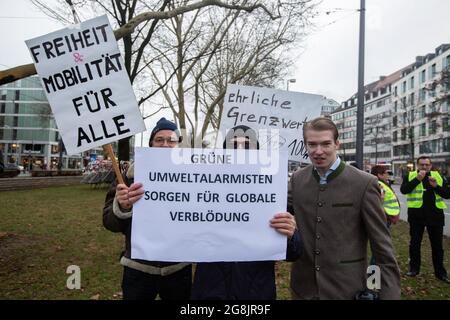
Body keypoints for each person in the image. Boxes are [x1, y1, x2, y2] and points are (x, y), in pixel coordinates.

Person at [285, 117, 400, 300]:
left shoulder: (364, 183)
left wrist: (384, 293)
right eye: (312, 144)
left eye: (326, 144)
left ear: (337, 144)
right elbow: (270, 207)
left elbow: (381, 249)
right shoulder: (297, 179)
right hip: (302, 289)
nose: (318, 151)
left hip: (347, 289)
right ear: (305, 145)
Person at [191, 125, 302, 300]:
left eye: (247, 145)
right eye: (234, 145)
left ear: (257, 151)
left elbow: (293, 253)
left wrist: (290, 235)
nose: (240, 151)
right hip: (211, 291)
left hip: (256, 292)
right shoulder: (201, 188)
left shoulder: (272, 190)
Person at [103, 117, 192, 300]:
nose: (165, 145)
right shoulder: (128, 177)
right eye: (159, 140)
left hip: (178, 269)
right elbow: (110, 223)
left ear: (178, 145)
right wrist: (123, 206)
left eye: (171, 140)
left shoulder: (193, 177)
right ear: (151, 143)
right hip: (138, 269)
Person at [400, 156, 450, 284]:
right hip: (416, 216)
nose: (424, 167)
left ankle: (440, 273)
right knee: (415, 244)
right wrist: (417, 180)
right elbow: (404, 190)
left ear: (430, 165)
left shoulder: (438, 176)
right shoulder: (411, 175)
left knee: (437, 246)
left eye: (426, 165)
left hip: (435, 216)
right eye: (421, 165)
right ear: (417, 165)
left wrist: (436, 186)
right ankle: (414, 269)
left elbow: (447, 194)